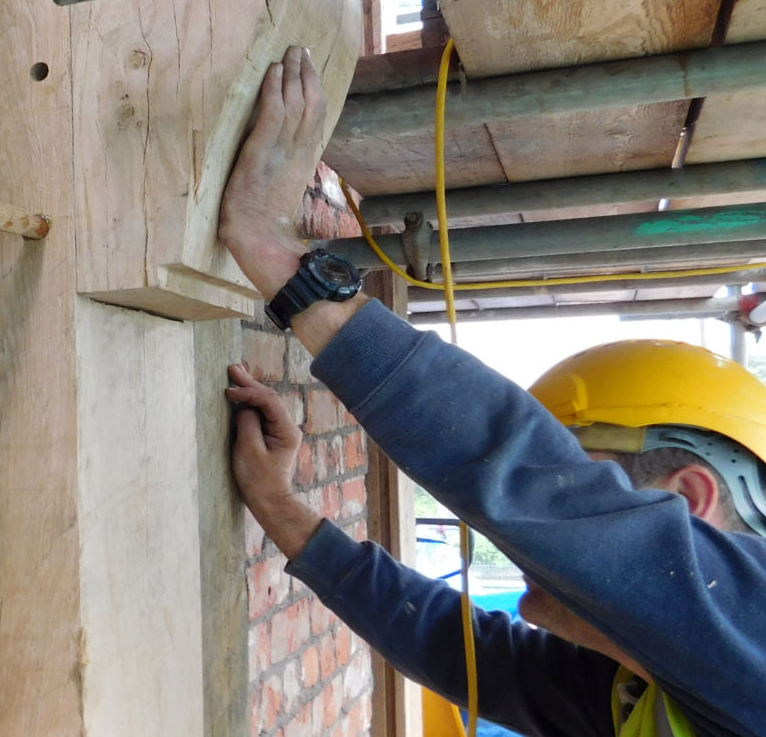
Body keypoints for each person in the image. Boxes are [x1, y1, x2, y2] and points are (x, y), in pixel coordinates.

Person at [218, 46, 766, 737]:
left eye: (578, 484)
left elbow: (505, 463)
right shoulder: (640, 695)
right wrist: (278, 505)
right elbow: (468, 654)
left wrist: (279, 258)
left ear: (687, 504)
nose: (519, 530)